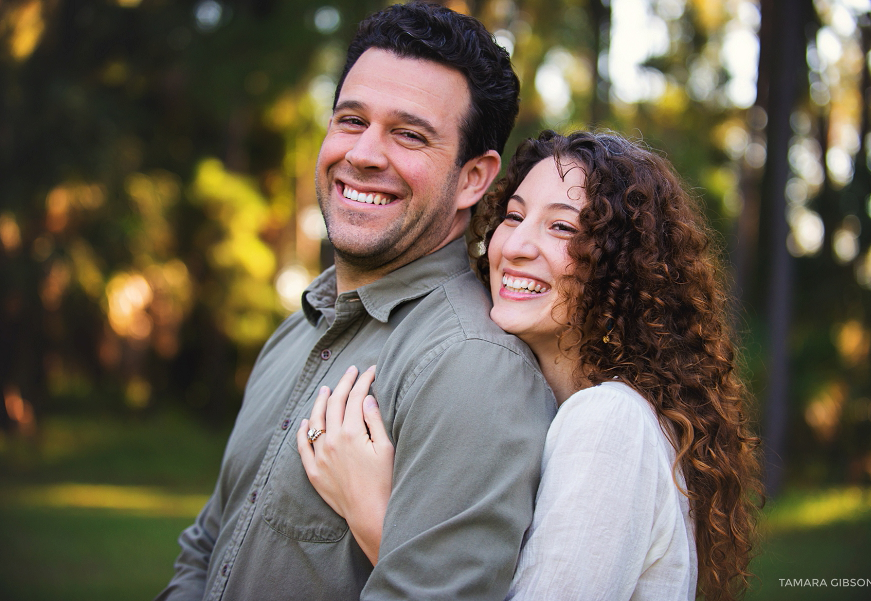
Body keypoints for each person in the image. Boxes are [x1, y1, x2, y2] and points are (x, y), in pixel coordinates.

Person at [156, 4, 557, 600]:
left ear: (473, 178)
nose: (364, 154)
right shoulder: (295, 332)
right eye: (350, 120)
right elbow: (207, 550)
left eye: (409, 134)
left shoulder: (471, 367)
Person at [299, 130, 763, 601]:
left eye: (562, 227)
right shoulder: (550, 411)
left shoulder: (607, 421)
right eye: (514, 215)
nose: (516, 245)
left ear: (622, 265)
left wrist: (372, 511)